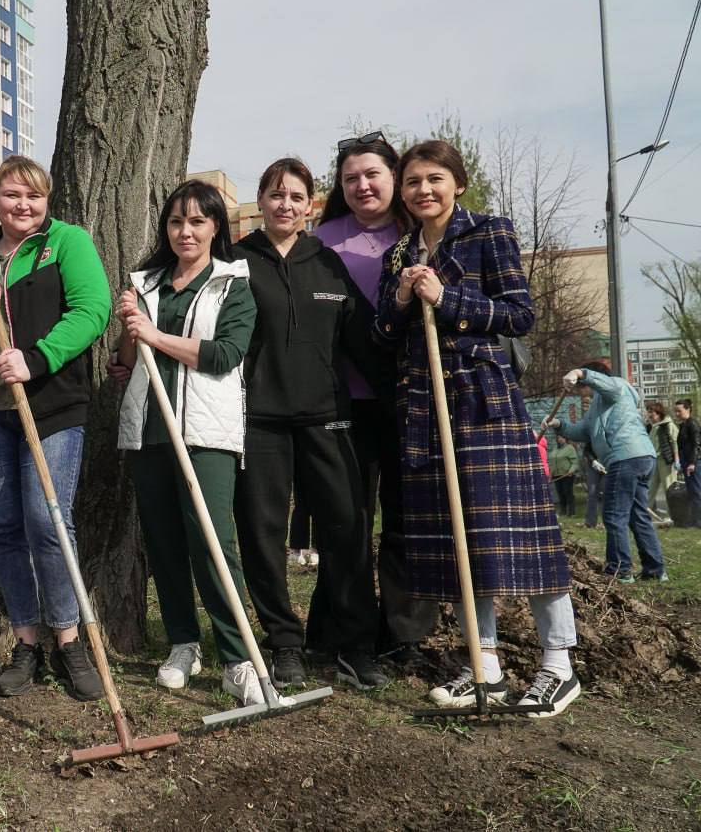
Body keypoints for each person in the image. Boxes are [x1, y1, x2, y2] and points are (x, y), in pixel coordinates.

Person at [377, 140, 580, 717]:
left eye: (434, 179)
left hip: (484, 404)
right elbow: (382, 334)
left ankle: (559, 664)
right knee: (459, 539)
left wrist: (448, 298)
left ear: (457, 184)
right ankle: (483, 662)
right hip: (425, 409)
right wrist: (400, 299)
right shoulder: (400, 254)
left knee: (523, 534)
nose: (423, 190)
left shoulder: (489, 232)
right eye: (412, 181)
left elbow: (519, 314)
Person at [0, 156, 109, 701]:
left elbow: (92, 311)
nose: (23, 205)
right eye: (12, 194)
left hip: (52, 409)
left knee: (47, 520)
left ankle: (69, 640)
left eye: (33, 195)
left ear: (46, 199)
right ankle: (26, 643)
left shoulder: (67, 243)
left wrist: (35, 359)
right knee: (6, 527)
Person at [232, 158, 392, 693]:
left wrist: (402, 389)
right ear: (261, 201)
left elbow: (365, 340)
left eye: (296, 197)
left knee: (347, 529)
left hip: (328, 416)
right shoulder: (234, 262)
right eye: (276, 195)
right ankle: (283, 642)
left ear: (310, 206)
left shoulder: (328, 264)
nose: (286, 205)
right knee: (262, 533)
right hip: (258, 421)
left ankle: (355, 646)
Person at [112, 179, 265, 703]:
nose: (186, 231)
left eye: (198, 221)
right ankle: (183, 643)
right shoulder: (147, 283)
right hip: (150, 428)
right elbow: (128, 358)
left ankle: (238, 657)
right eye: (177, 221)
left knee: (212, 541)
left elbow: (224, 355)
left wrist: (155, 335)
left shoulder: (232, 283)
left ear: (216, 227)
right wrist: (129, 332)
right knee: (164, 541)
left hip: (205, 431)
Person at [314, 134, 437, 668]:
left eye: (372, 174)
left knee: (409, 519)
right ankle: (344, 630)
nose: (362, 185)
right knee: (348, 521)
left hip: (412, 399)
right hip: (343, 403)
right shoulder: (320, 242)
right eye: (350, 178)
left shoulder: (423, 236)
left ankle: (405, 635)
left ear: (394, 177)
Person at [550, 364, 668, 581]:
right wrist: (559, 425)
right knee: (638, 515)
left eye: (582, 386)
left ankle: (620, 569)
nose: (580, 392)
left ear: (591, 380)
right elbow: (583, 431)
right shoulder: (597, 406)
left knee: (614, 515)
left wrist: (579, 373)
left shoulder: (617, 386)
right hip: (640, 457)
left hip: (626, 457)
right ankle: (655, 570)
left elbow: (605, 383)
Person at [646, 401, 679, 521]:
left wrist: (677, 460)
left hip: (666, 461)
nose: (649, 415)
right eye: (648, 412)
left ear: (659, 413)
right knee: (650, 489)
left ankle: (672, 515)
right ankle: (644, 514)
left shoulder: (668, 425)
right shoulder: (652, 427)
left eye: (652, 413)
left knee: (668, 489)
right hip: (654, 461)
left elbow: (675, 443)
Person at [674, 399, 701, 527]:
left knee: (697, 491)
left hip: (693, 463)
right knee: (692, 491)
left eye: (679, 411)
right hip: (686, 462)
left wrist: (692, 463)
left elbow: (697, 445)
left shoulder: (693, 424)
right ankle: (695, 519)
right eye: (675, 411)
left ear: (688, 409)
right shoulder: (684, 425)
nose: (677, 414)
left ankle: (699, 520)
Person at [549, 435, 579, 517]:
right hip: (556, 475)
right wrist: (550, 475)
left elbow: (575, 462)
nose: (560, 439)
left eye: (562, 438)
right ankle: (563, 511)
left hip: (567, 475)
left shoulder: (570, 448)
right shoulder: (555, 449)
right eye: (559, 438)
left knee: (568, 493)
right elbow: (552, 463)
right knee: (560, 494)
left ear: (566, 439)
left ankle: (571, 512)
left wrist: (571, 470)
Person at [581, 443, 606, 528]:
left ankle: (606, 522)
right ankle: (590, 522)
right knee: (592, 493)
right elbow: (586, 450)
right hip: (593, 465)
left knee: (605, 493)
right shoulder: (593, 436)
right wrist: (593, 460)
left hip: (608, 462)